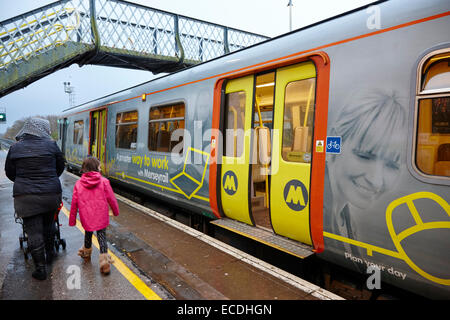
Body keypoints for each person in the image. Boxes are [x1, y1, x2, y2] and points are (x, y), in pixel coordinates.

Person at [323, 90, 407, 269]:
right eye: (364, 156)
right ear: (335, 141)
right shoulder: (323, 212)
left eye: (392, 165)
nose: (376, 181)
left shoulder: (344, 215)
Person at [4, 118, 65, 280]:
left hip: (25, 197)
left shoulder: (15, 148)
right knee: (50, 224)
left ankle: (40, 268)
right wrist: (50, 180)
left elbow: (10, 172)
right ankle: (50, 254)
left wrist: (23, 182)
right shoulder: (52, 146)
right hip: (51, 194)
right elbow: (60, 167)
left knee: (33, 230)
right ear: (43, 129)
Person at [69, 156, 119, 275]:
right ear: (96, 168)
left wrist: (72, 220)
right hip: (101, 216)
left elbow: (74, 203)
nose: (101, 168)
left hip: (86, 216)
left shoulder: (78, 184)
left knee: (88, 234)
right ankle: (104, 263)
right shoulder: (104, 182)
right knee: (102, 238)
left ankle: (86, 255)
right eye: (99, 166)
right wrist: (115, 211)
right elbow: (112, 199)